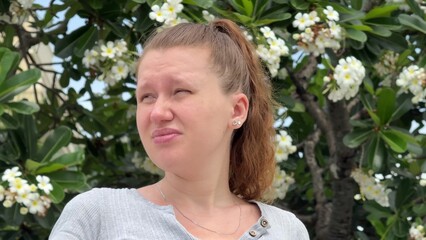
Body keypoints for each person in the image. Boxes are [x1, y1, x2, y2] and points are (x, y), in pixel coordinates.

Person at [49, 19, 310, 240]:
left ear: (237, 110)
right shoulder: (96, 216)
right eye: (146, 96)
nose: (158, 112)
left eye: (181, 91)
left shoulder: (287, 231)